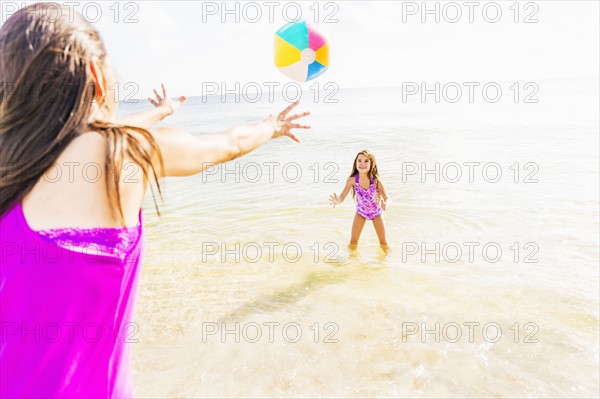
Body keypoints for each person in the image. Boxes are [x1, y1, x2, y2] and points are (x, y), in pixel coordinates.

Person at [0, 3, 310, 397]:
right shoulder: (123, 157)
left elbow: (93, 133)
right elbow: (227, 144)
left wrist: (160, 112)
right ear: (96, 74)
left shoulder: (11, 167)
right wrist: (271, 126)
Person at [329, 150, 389, 252]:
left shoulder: (375, 181)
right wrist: (337, 200)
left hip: (376, 213)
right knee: (353, 242)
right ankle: (351, 263)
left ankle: (386, 263)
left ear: (371, 164)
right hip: (361, 212)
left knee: (383, 242)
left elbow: (387, 197)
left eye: (366, 161)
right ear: (355, 163)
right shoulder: (352, 180)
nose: (362, 164)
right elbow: (342, 196)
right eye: (359, 161)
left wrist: (386, 203)